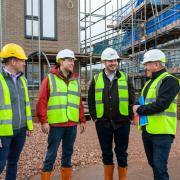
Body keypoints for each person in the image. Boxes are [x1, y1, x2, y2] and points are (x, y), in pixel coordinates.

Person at [36, 49, 86, 180]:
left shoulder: (75, 80)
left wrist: (82, 120)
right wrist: (44, 121)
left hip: (71, 124)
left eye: (73, 60)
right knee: (51, 154)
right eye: (70, 60)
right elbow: (42, 101)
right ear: (61, 62)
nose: (72, 62)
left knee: (68, 154)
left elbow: (78, 102)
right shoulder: (49, 79)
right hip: (56, 125)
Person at [88, 47, 135, 180]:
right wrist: (95, 118)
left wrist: (130, 117)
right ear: (104, 62)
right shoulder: (96, 79)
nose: (113, 63)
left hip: (122, 123)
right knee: (106, 153)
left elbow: (132, 98)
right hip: (103, 123)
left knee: (122, 153)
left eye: (115, 60)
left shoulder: (125, 77)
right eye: (110, 61)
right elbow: (91, 100)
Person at [133, 49, 180, 180]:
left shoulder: (170, 81)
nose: (144, 67)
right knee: (154, 165)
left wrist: (139, 109)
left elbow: (161, 104)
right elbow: (141, 100)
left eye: (146, 64)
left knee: (160, 169)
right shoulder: (149, 82)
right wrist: (135, 106)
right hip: (148, 130)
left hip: (162, 132)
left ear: (156, 64)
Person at [0, 43, 33, 180]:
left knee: (13, 162)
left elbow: (26, 104)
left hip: (20, 131)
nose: (24, 63)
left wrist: (29, 126)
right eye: (22, 60)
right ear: (13, 61)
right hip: (3, 133)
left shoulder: (22, 80)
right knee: (0, 165)